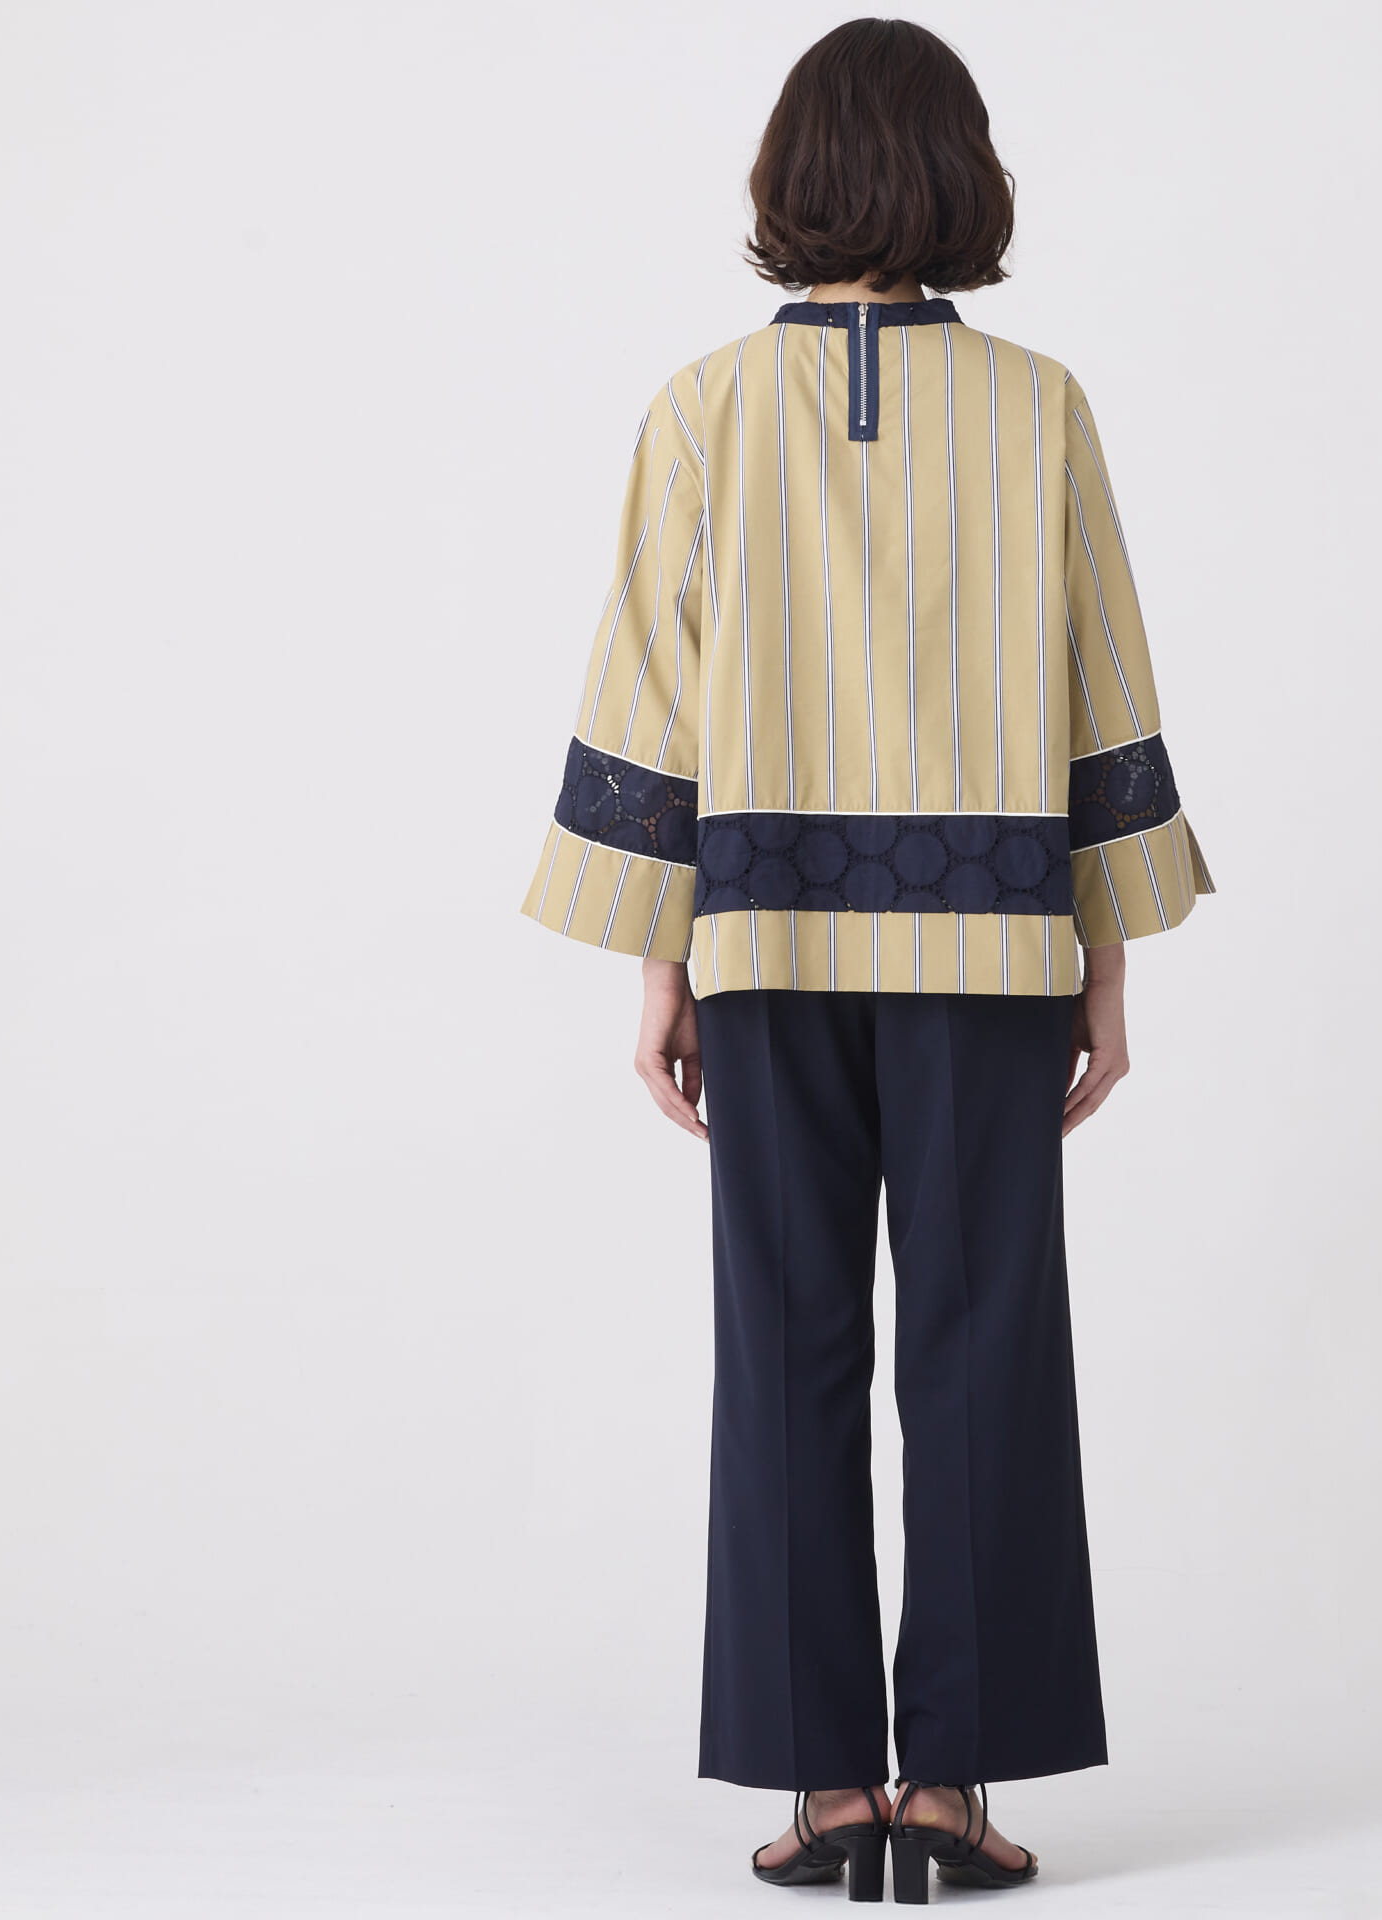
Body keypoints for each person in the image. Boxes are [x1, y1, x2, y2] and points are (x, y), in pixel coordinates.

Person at [521, 17, 1213, 1903]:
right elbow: (1100, 674)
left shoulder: (702, 406)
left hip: (763, 935)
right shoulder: (1039, 406)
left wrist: (656, 964)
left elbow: (650, 686)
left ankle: (828, 1793)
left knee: (786, 1348)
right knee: (986, 1348)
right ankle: (953, 1798)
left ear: (788, 177)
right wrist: (1108, 964)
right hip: (993, 948)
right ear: (966, 177)